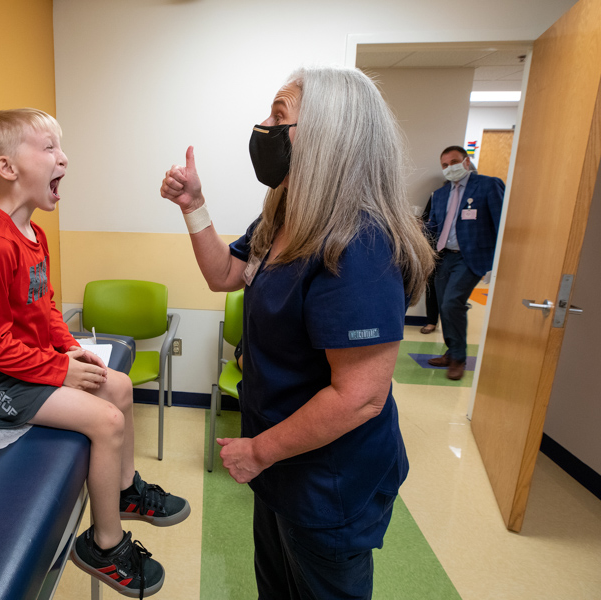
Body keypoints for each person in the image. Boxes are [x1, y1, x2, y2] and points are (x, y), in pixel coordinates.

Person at [160, 67, 434, 600]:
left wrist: (259, 452)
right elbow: (225, 275)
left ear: (330, 139)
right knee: (278, 586)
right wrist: (193, 207)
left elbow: (359, 398)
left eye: (278, 117)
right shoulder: (286, 215)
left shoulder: (360, 245)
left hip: (328, 476)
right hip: (282, 458)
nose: (263, 127)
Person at [0, 108, 189, 599]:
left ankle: (125, 489)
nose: (64, 157)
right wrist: (58, 369)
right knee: (104, 422)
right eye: (49, 148)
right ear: (8, 168)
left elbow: (46, 311)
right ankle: (104, 545)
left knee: (120, 385)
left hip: (31, 366)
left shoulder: (34, 236)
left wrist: (67, 349)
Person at [425, 146, 504, 380]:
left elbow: (501, 223)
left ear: (466, 162)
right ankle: (452, 351)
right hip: (444, 256)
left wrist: (499, 261)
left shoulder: (489, 185)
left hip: (469, 257)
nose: (450, 168)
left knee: (452, 303)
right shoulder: (439, 195)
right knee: (444, 305)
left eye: (454, 162)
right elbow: (434, 226)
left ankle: (458, 358)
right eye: (445, 165)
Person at [418, 195, 441, 334]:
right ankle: (431, 321)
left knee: (451, 296)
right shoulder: (438, 195)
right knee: (431, 286)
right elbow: (426, 222)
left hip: (461, 252)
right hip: (436, 248)